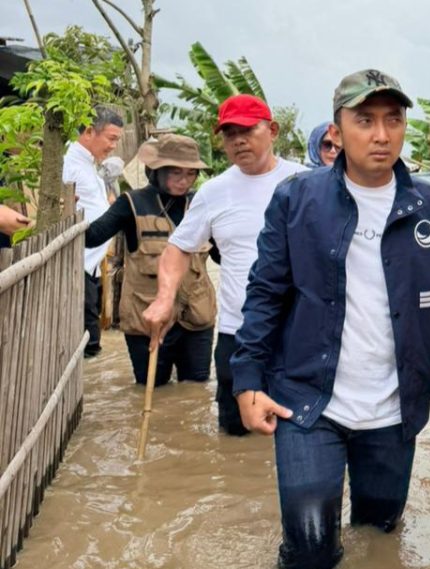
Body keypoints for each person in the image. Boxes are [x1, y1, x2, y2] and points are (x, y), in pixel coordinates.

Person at [230, 69, 430, 569]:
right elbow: (266, 293)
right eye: (365, 120)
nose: (381, 135)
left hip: (393, 406)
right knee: (309, 556)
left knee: (379, 542)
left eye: (393, 120)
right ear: (337, 131)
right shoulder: (298, 200)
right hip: (307, 401)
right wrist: (247, 379)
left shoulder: (427, 203)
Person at [142, 94, 305, 435]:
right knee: (235, 439)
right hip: (239, 333)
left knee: (300, 433)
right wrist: (164, 298)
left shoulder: (307, 184)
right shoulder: (214, 191)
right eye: (229, 133)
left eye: (247, 130)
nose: (238, 140)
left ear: (272, 130)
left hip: (299, 333)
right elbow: (178, 248)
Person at [85, 133, 216, 385]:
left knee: (196, 391)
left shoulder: (202, 203)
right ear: (156, 171)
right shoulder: (131, 204)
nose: (184, 181)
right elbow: (93, 236)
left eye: (190, 174)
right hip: (146, 318)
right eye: (175, 173)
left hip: (196, 317)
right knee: (152, 389)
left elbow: (223, 255)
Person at [63, 106, 124, 357]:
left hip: (90, 265)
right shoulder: (70, 166)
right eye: (111, 139)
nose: (113, 146)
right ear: (89, 131)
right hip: (77, 264)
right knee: (87, 341)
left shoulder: (88, 165)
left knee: (90, 332)